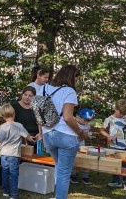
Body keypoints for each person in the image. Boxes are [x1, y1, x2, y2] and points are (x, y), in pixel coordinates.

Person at [40, 65, 85, 199]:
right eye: (76, 78)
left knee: (59, 167)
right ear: (71, 77)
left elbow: (39, 113)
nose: (76, 81)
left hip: (48, 134)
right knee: (64, 173)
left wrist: (42, 133)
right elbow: (67, 117)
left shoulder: (44, 88)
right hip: (66, 136)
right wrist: (80, 133)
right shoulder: (69, 91)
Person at [0, 104, 34, 199]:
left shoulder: (2, 127)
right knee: (13, 174)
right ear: (14, 114)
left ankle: (5, 191)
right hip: (14, 154)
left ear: (3, 115)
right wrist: (33, 140)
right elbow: (27, 136)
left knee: (5, 172)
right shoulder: (18, 126)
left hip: (3, 153)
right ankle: (13, 194)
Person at [100, 99, 126, 188]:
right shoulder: (109, 119)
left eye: (124, 113)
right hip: (113, 146)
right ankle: (116, 181)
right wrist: (108, 136)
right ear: (115, 108)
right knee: (114, 164)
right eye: (121, 113)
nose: (122, 115)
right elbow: (102, 130)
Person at [70, 108, 95, 185]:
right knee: (72, 160)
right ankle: (73, 175)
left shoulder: (87, 125)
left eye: (88, 120)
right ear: (78, 117)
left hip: (81, 144)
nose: (86, 122)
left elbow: (86, 134)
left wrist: (88, 135)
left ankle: (85, 176)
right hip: (72, 143)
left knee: (84, 159)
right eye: (85, 120)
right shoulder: (73, 122)